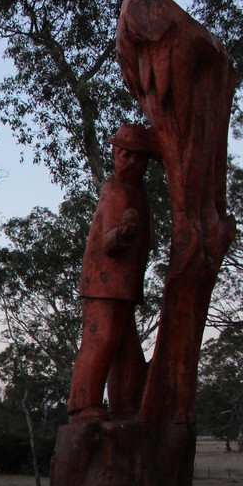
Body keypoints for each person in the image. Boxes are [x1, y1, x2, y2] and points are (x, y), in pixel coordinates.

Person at [68, 124, 155, 421]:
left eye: (139, 157)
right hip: (103, 286)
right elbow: (109, 241)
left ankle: (124, 405)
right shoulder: (115, 190)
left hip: (124, 287)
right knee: (101, 338)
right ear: (115, 153)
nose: (132, 162)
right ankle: (82, 405)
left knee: (126, 348)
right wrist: (124, 234)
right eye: (126, 154)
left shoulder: (138, 192)